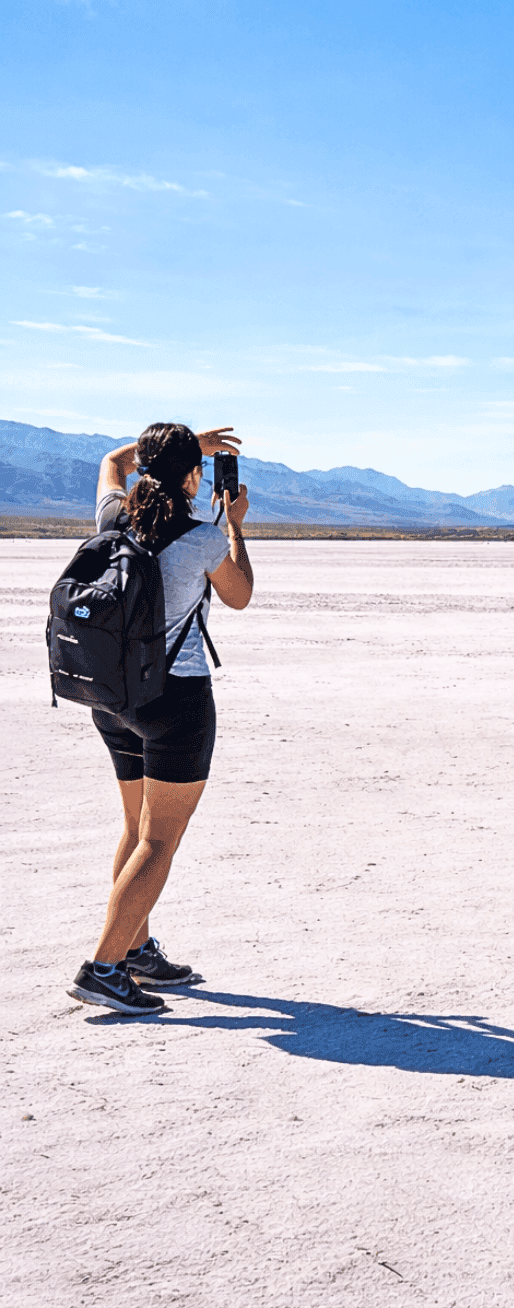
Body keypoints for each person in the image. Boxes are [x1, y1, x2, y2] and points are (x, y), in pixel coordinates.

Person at [67, 423, 254, 1015]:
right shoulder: (200, 538)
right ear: (193, 479)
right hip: (176, 702)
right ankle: (102, 967)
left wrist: (178, 448)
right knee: (158, 840)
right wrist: (235, 525)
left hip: (114, 697)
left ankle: (137, 949)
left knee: (135, 827)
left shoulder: (112, 517)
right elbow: (240, 594)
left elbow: (110, 461)